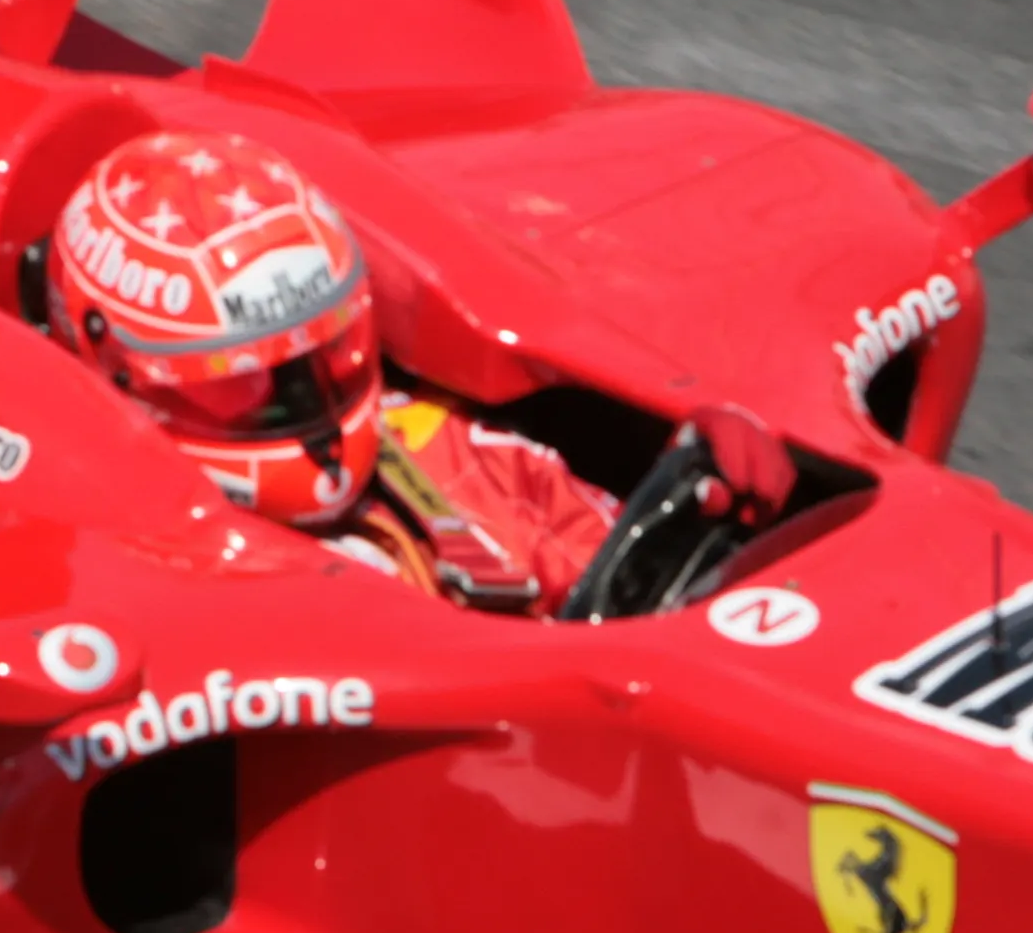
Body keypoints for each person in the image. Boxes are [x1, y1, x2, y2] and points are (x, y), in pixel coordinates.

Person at [42, 128, 791, 610]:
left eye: (326, 355)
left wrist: (709, 523)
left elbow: (607, 561)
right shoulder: (117, 570)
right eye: (245, 380)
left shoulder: (449, 451)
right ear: (123, 379)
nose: (304, 397)